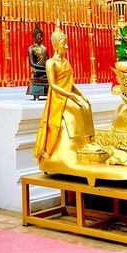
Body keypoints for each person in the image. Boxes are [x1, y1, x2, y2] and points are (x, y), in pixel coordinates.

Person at [34, 25, 94, 171]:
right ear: (56, 45)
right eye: (63, 44)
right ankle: (76, 143)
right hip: (58, 97)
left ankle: (89, 141)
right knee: (77, 108)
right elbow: (53, 85)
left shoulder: (66, 62)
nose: (66, 47)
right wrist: (71, 95)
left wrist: (81, 94)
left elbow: (71, 83)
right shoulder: (51, 63)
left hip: (68, 93)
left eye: (66, 44)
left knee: (86, 105)